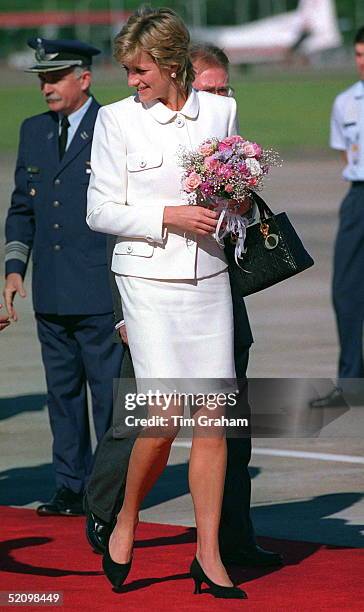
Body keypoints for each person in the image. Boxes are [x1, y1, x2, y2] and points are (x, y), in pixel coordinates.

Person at [87, 9, 279, 598]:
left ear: (171, 65)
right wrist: (167, 215)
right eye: (127, 70)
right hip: (146, 281)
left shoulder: (220, 111)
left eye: (140, 69)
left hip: (209, 281)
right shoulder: (117, 121)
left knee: (214, 422)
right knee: (166, 415)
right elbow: (99, 212)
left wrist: (239, 205)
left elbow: (234, 202)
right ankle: (125, 519)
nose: (132, 81)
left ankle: (209, 554)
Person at [3, 38, 124, 516]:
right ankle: (70, 485)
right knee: (62, 396)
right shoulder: (34, 131)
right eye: (41, 79)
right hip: (51, 290)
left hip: (98, 288)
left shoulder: (112, 126)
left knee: (107, 397)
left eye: (54, 78)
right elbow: (22, 209)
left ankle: (108, 490)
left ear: (84, 78)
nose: (45, 87)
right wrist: (15, 269)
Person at [311, 26, 364, 408]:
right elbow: (346, 155)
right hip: (358, 198)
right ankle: (351, 381)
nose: (363, 62)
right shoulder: (346, 102)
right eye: (359, 54)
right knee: (346, 290)